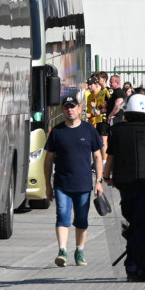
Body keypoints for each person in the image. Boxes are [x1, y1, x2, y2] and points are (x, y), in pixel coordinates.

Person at [103, 93, 145, 282]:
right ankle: (136, 268)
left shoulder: (118, 131)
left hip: (123, 186)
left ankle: (134, 264)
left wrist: (106, 177)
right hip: (143, 184)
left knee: (134, 223)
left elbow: (110, 158)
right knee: (142, 225)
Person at [43, 94, 105, 267]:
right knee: (62, 216)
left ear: (79, 109)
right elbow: (48, 160)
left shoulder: (89, 130)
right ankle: (62, 250)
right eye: (66, 107)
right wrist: (47, 185)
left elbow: (98, 156)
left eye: (73, 107)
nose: (70, 110)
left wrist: (99, 180)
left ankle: (79, 250)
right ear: (63, 110)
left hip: (84, 184)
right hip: (62, 183)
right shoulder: (57, 131)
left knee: (82, 219)